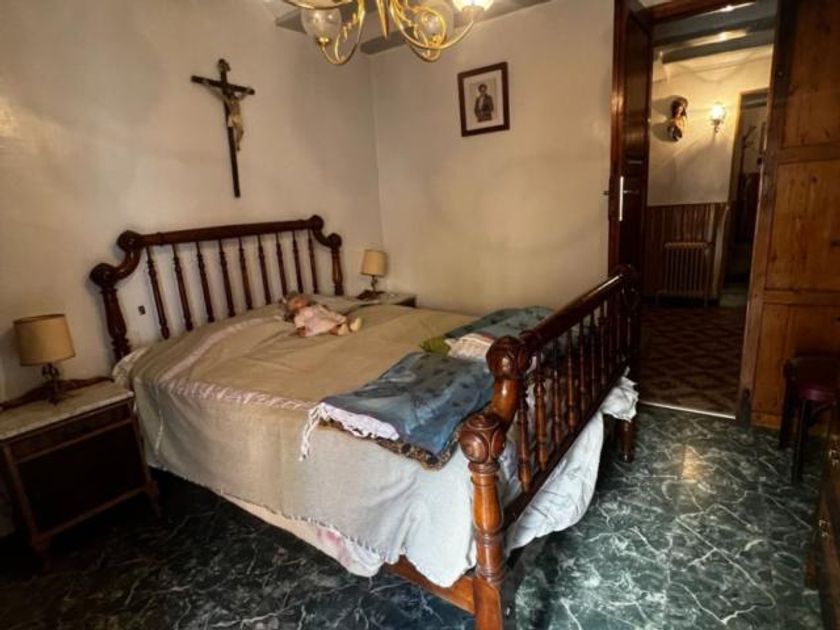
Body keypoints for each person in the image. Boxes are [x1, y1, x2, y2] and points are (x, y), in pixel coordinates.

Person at [284, 292, 362, 337]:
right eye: (297, 302)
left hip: (325, 316)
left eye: (301, 298)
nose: (302, 301)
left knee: (341, 318)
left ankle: (351, 327)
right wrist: (301, 331)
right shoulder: (299, 315)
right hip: (317, 323)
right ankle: (339, 331)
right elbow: (300, 325)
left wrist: (325, 309)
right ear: (293, 308)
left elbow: (323, 311)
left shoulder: (314, 306)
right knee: (328, 325)